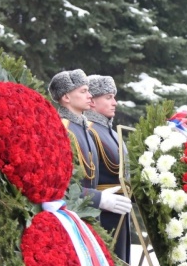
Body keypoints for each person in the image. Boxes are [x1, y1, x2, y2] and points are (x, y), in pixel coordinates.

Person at [48, 70, 131, 217]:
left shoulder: (83, 128)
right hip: (72, 216)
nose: (90, 95)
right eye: (84, 91)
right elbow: (58, 186)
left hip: (90, 214)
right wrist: (97, 198)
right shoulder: (62, 130)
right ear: (66, 97)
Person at [84, 75, 132, 266]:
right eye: (109, 97)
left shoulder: (111, 132)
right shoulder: (88, 130)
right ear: (93, 101)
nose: (115, 102)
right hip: (102, 214)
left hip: (120, 210)